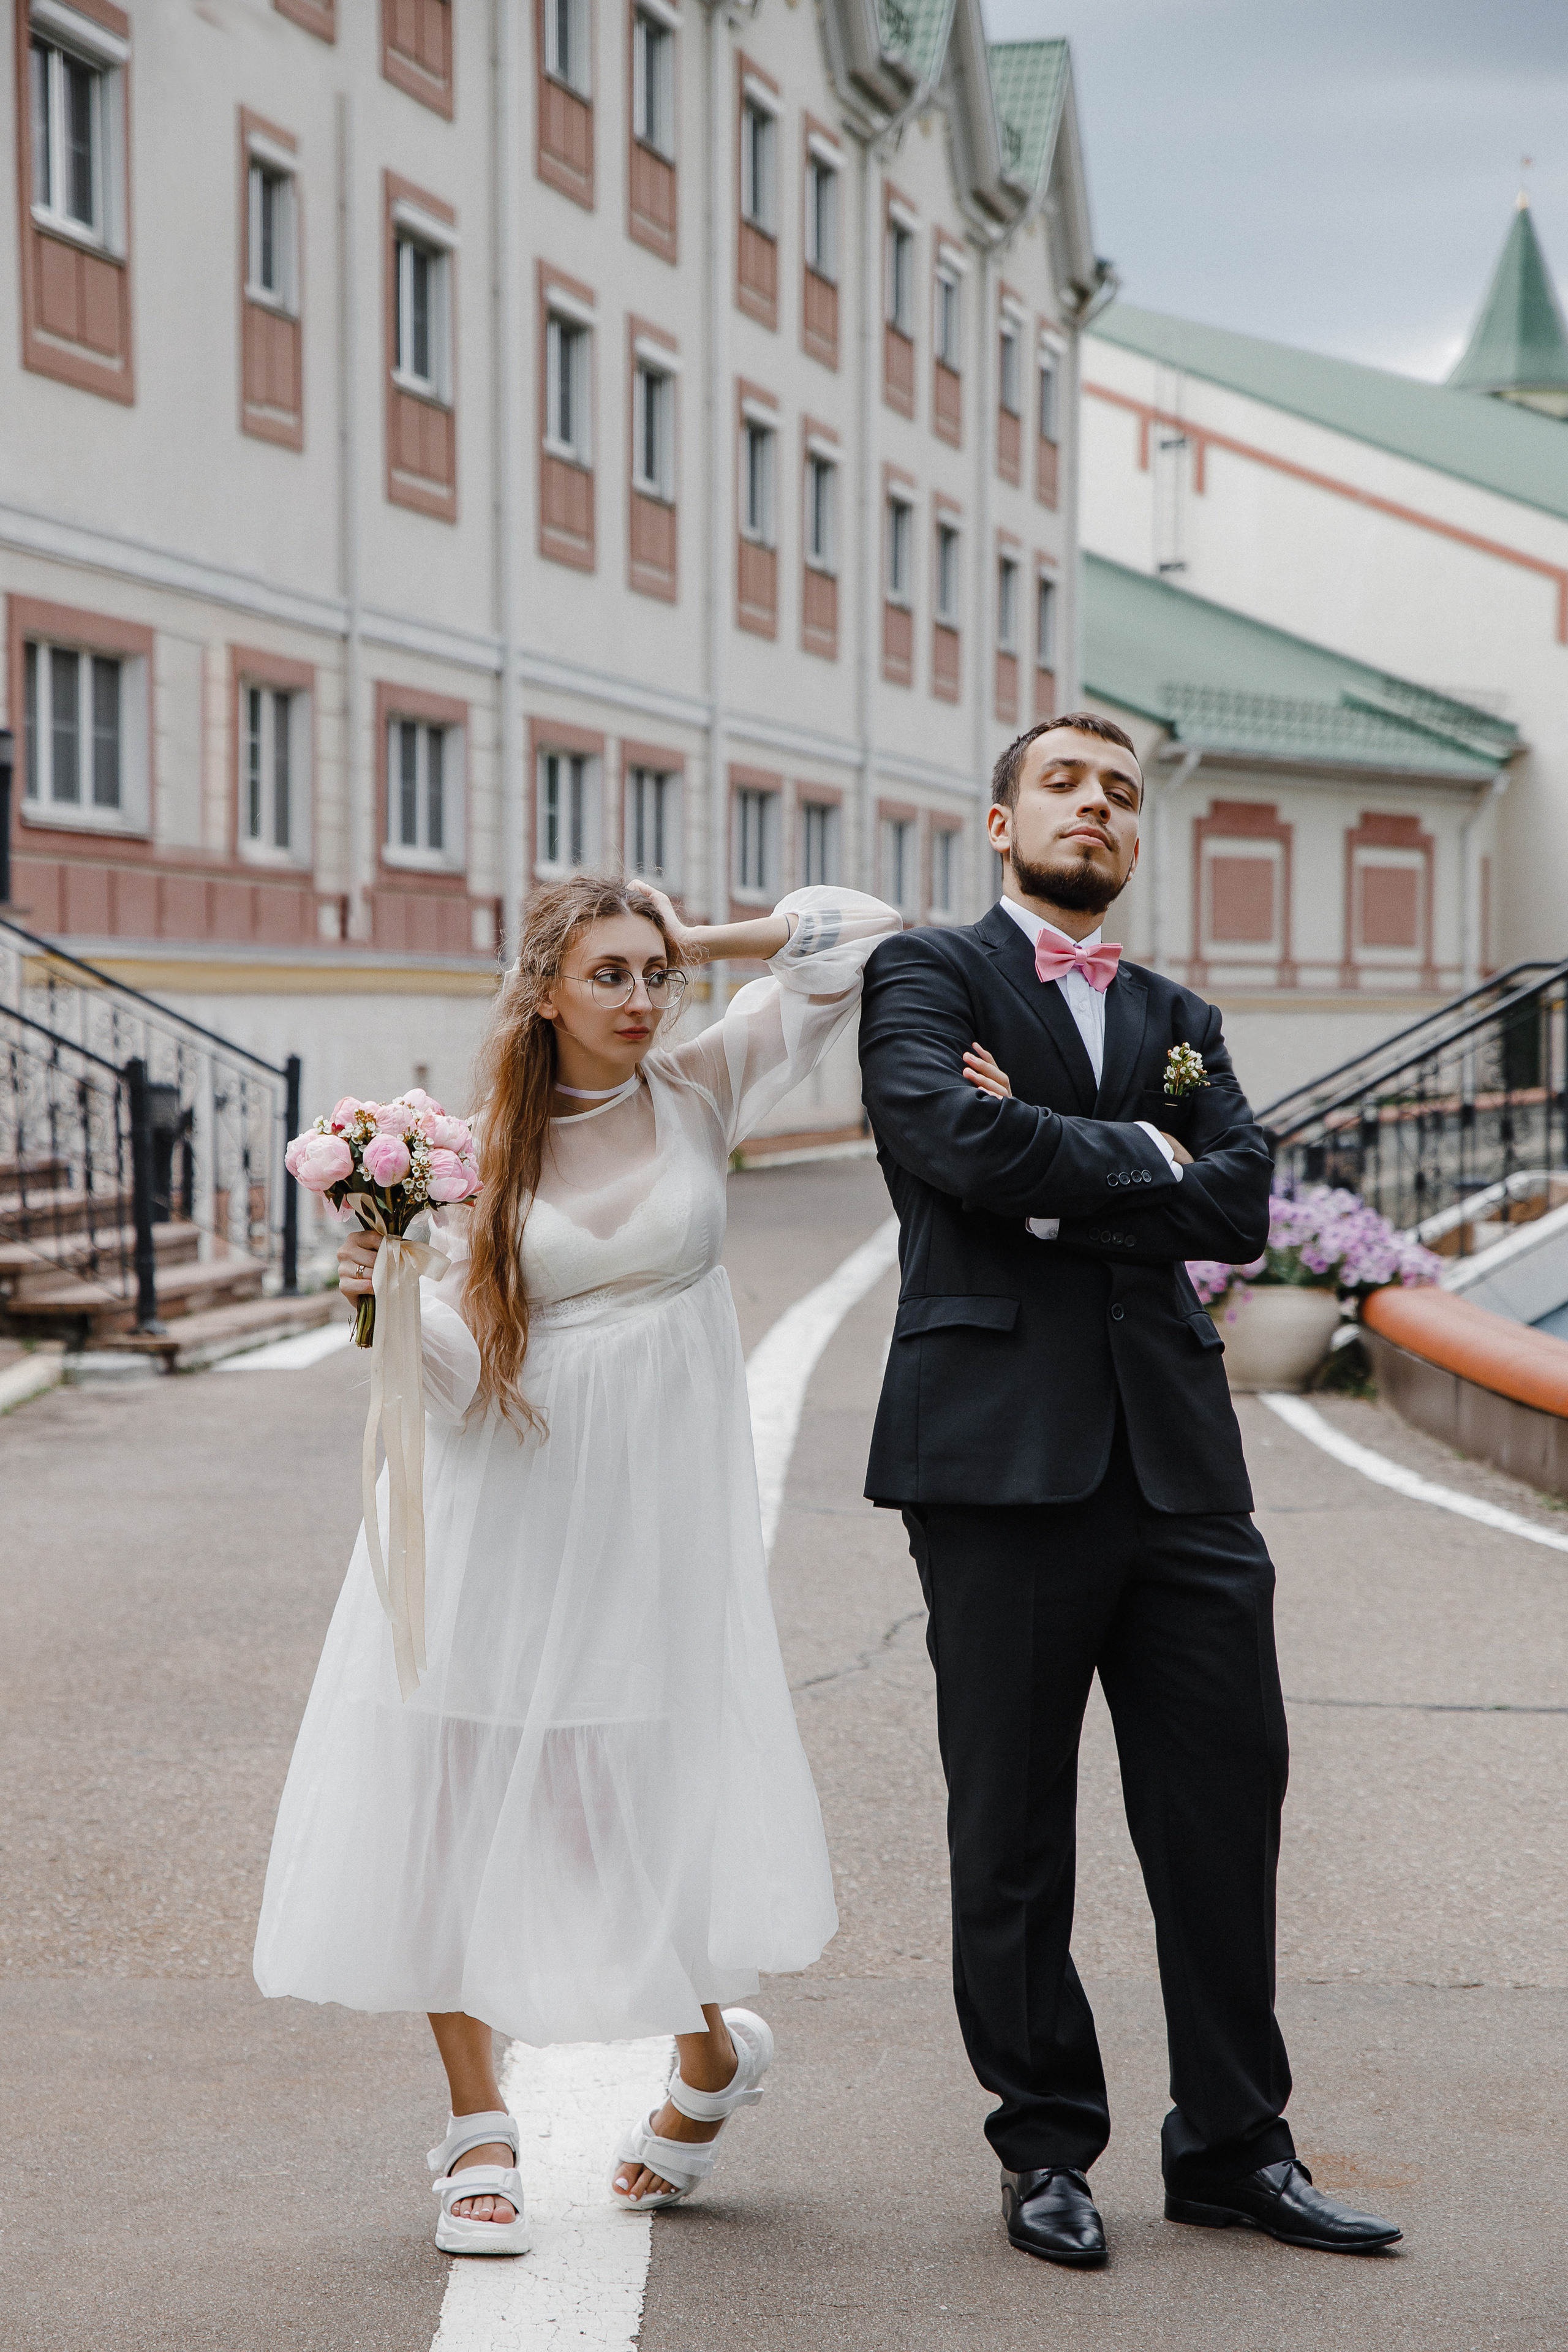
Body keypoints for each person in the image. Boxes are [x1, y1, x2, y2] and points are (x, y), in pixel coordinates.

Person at [255, 872, 899, 2253]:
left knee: (610, 1802)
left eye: (655, 975)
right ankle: (478, 2131)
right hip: (502, 1497)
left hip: (653, 1515)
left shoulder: (700, 1087)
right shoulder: (470, 1156)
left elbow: (868, 934)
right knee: (449, 1788)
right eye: (609, 974)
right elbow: (458, 1388)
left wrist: (701, 938)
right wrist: (389, 1303)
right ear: (543, 989)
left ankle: (709, 2054)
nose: (642, 999)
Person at [857, 714, 1401, 2266]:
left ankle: (1233, 2146)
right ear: (999, 819)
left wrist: (1067, 1171)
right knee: (1011, 1828)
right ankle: (1044, 2148)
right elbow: (950, 1142)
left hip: (1179, 1468)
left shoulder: (1177, 1015)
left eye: (1117, 793)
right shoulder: (925, 976)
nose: (1093, 807)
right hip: (994, 1461)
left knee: (1224, 1810)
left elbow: (1237, 1200)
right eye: (1062, 785)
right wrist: (1140, 1161)